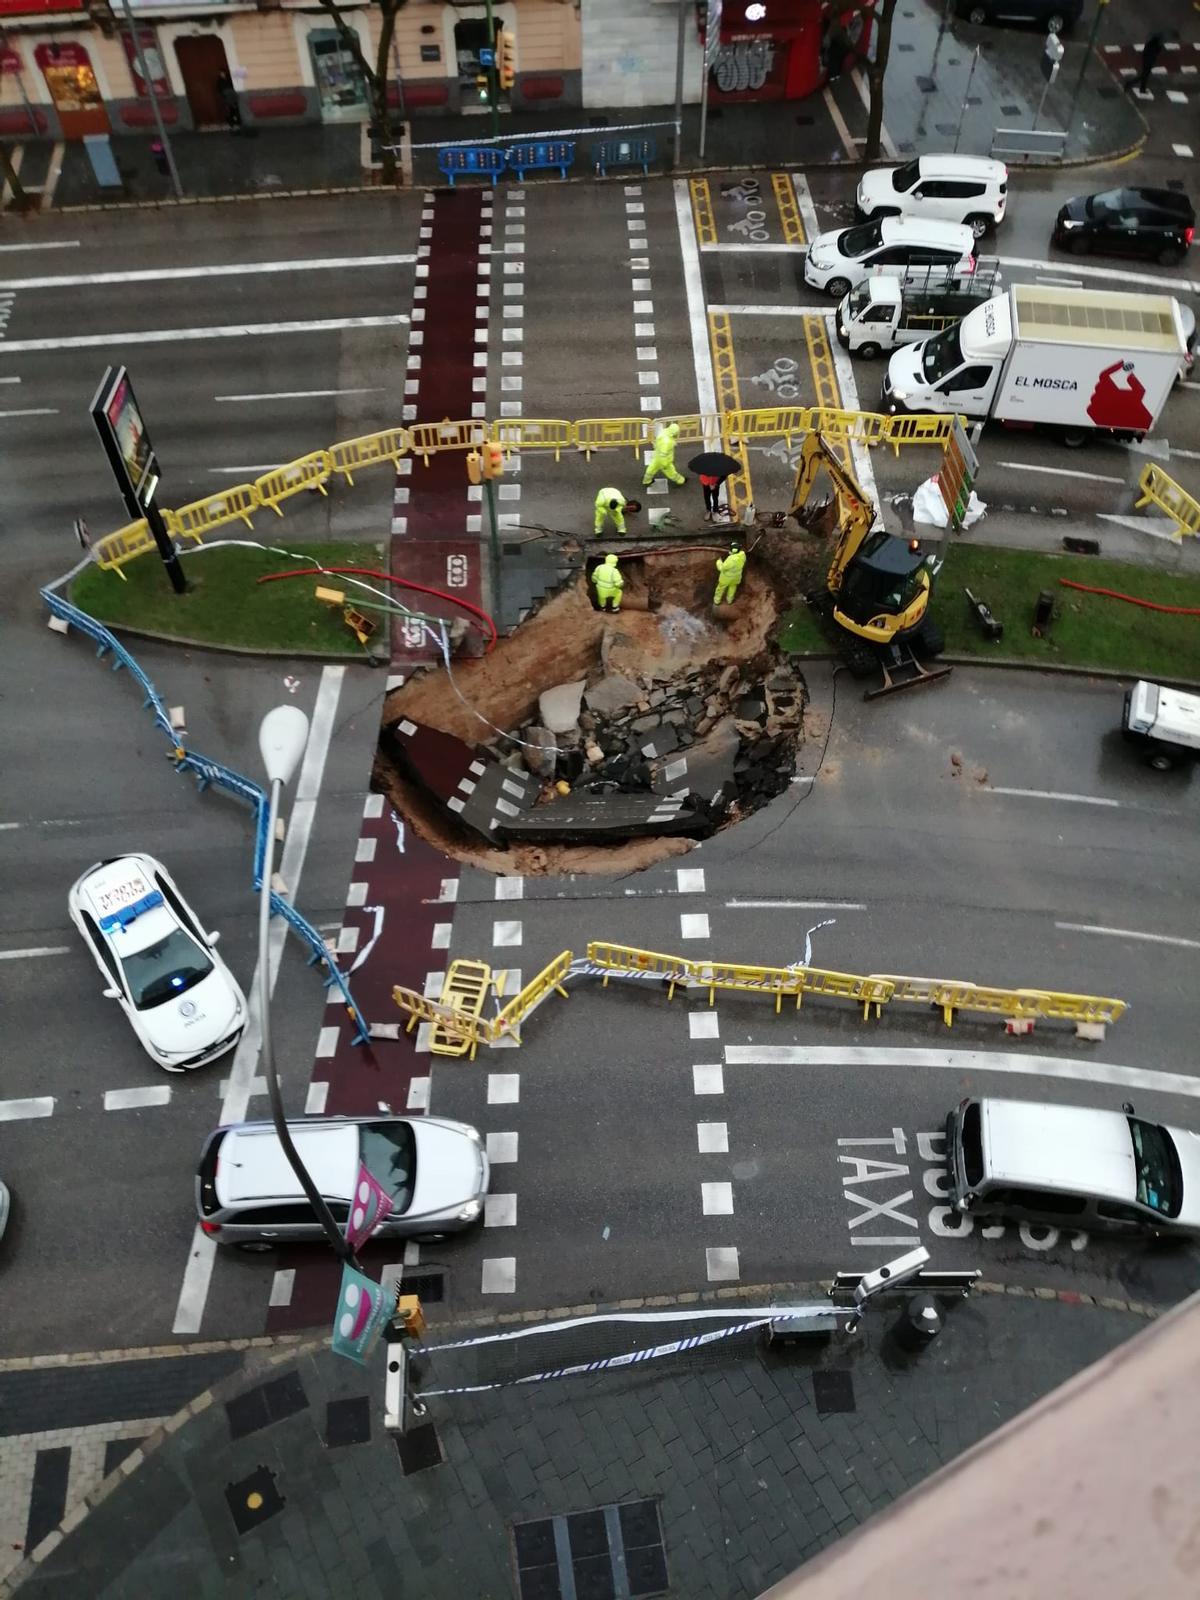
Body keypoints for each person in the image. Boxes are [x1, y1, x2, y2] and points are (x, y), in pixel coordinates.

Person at [642, 422, 686, 488]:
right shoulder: (668, 442)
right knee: (671, 472)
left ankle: (646, 481)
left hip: (657, 456)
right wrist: (664, 464)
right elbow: (664, 455)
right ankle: (681, 480)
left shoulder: (664, 432)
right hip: (665, 460)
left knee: (651, 469)